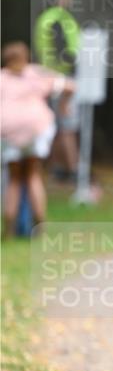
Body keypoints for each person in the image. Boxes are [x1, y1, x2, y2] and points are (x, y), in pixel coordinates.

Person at [0, 41, 75, 235]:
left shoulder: (2, 78)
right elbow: (69, 86)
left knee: (14, 179)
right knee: (33, 175)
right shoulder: (36, 73)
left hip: (8, 130)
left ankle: (8, 229)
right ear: (26, 57)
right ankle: (40, 225)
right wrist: (63, 106)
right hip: (35, 128)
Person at [33, 0, 81, 181]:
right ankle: (73, 170)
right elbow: (64, 51)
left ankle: (57, 168)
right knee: (66, 125)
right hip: (61, 78)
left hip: (48, 76)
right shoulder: (58, 19)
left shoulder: (45, 18)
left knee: (55, 125)